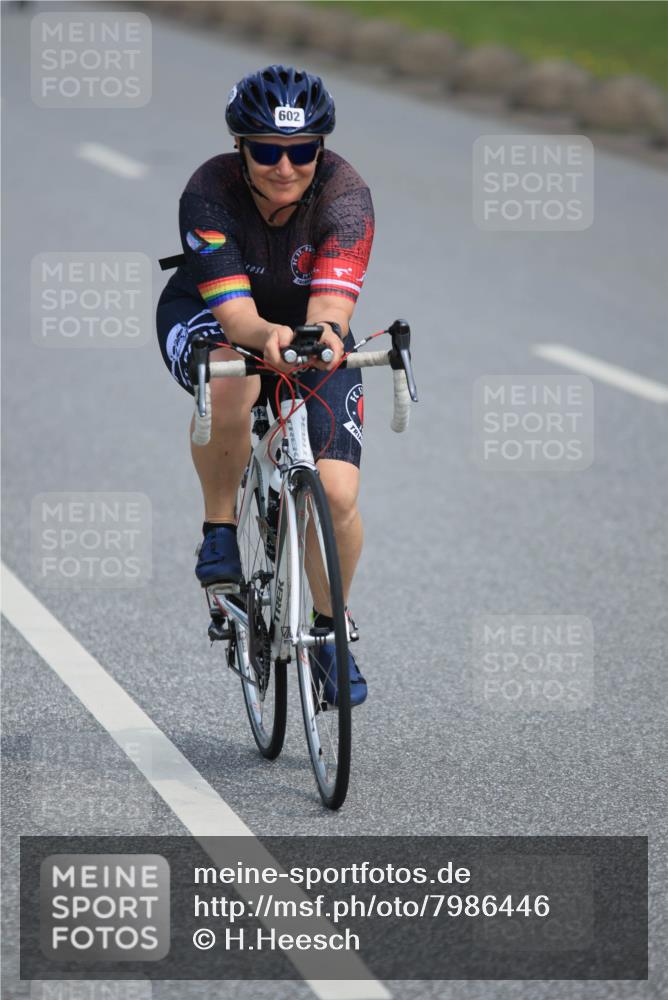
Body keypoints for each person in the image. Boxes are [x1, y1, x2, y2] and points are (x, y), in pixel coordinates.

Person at [156, 65, 374, 705]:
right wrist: (264, 340)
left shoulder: (346, 196)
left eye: (302, 150)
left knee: (336, 493)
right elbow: (239, 318)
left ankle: (332, 635)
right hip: (212, 313)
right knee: (234, 379)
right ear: (240, 148)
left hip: (305, 323)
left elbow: (332, 309)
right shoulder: (208, 191)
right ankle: (220, 528)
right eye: (268, 150)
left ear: (320, 150)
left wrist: (321, 338)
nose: (286, 166)